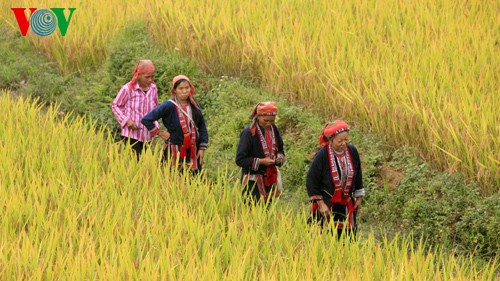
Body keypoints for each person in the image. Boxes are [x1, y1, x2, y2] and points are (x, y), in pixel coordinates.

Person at [306, 120, 365, 237]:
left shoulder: (352, 151)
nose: (344, 143)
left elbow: (358, 175)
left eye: (346, 139)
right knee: (322, 237)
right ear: (330, 140)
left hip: (346, 203)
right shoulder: (322, 155)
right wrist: (321, 203)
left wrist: (359, 197)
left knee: (347, 239)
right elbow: (312, 180)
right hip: (327, 203)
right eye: (340, 141)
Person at [141, 75, 208, 174]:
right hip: (173, 150)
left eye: (187, 88)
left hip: (193, 150)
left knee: (194, 181)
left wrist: (202, 148)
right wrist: (159, 133)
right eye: (181, 88)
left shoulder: (194, 105)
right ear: (175, 90)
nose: (184, 91)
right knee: (172, 180)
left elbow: (202, 126)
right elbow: (146, 119)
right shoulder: (168, 106)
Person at [236, 101, 285, 203]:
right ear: (258, 117)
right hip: (252, 182)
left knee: (268, 210)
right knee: (252, 212)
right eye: (265, 120)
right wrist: (261, 161)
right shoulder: (248, 133)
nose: (268, 124)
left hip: (270, 179)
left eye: (272, 121)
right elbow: (240, 160)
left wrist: (280, 157)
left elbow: (280, 148)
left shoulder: (274, 129)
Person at [111, 59, 159, 158]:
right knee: (136, 162)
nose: (150, 80)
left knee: (145, 161)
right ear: (139, 76)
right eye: (147, 77)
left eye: (152, 77)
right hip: (131, 134)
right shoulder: (128, 89)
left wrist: (155, 125)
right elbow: (115, 105)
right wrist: (126, 120)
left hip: (147, 134)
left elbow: (155, 109)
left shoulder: (153, 88)